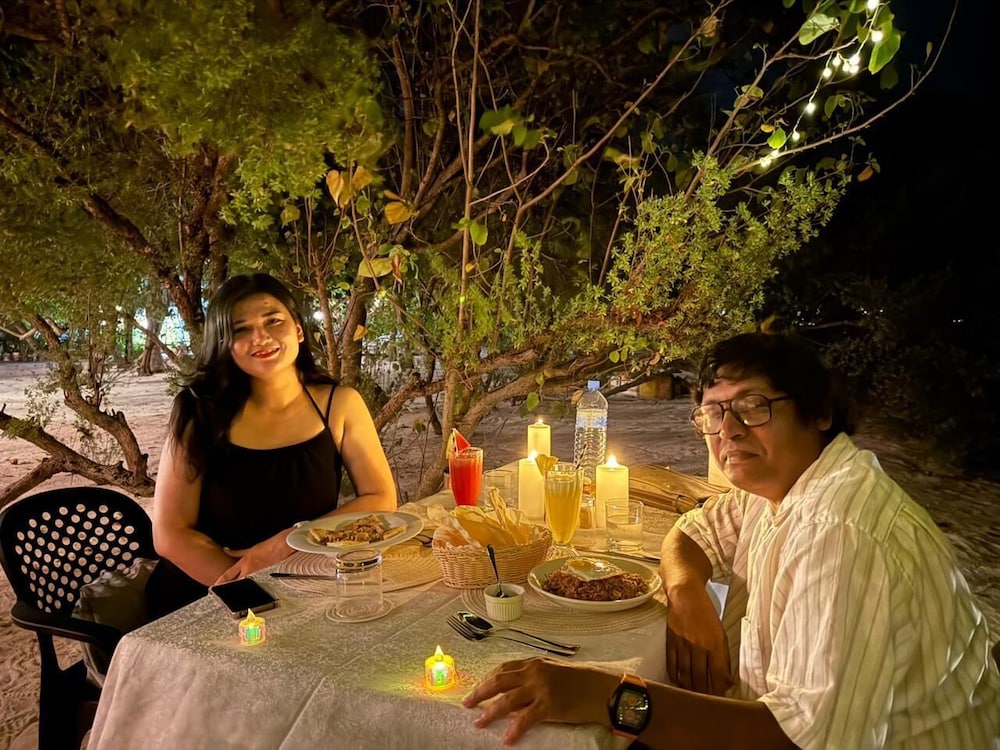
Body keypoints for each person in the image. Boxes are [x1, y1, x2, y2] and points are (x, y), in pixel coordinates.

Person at [464, 332, 1000, 748]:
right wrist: (686, 593)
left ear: (819, 412)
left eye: (753, 406)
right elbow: (689, 533)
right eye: (714, 413)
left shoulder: (840, 530)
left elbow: (790, 742)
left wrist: (608, 696)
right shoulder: (777, 487)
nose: (728, 431)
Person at [146, 273, 397, 617]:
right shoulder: (198, 411)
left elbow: (380, 498)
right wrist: (249, 591)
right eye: (241, 329)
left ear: (298, 329)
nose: (260, 337)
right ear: (224, 344)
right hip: (206, 593)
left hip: (306, 582)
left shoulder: (339, 405)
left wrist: (286, 543)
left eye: (273, 321)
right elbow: (170, 534)